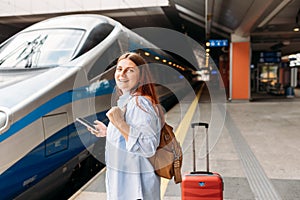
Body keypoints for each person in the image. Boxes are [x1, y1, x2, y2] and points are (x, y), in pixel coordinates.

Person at [89, 52, 162, 200]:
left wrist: (119, 123)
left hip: (135, 189)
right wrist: (109, 130)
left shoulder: (139, 103)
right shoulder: (127, 99)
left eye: (130, 70)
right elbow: (130, 134)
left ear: (141, 77)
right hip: (127, 186)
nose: (122, 74)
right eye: (119, 69)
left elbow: (148, 146)